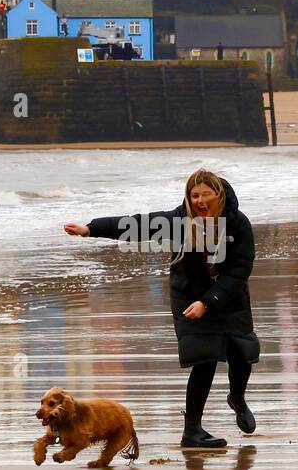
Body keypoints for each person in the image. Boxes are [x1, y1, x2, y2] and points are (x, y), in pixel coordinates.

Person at [64, 169, 259, 449]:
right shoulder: (179, 221)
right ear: (188, 199)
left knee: (242, 355)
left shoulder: (238, 224)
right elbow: (136, 225)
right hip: (188, 295)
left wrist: (209, 302)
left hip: (228, 297)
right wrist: (91, 229)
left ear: (219, 195)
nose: (200, 200)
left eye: (206, 194)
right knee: (204, 360)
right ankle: (192, 431)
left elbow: (241, 268)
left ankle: (237, 399)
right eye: (195, 196)